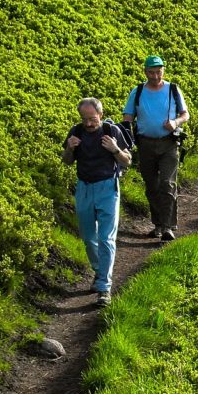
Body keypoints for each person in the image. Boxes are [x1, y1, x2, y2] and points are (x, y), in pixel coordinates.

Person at [62, 98, 132, 307]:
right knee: (88, 237)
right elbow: (66, 161)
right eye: (85, 119)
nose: (89, 124)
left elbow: (127, 161)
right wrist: (69, 148)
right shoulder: (76, 131)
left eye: (92, 119)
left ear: (100, 115)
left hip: (107, 188)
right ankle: (99, 271)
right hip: (83, 187)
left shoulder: (112, 131)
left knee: (106, 238)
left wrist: (115, 149)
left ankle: (104, 288)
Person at [122, 55, 190, 242]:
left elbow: (185, 114)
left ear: (163, 70)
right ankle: (158, 224)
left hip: (169, 143)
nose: (155, 75)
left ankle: (167, 227)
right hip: (145, 144)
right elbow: (128, 116)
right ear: (145, 72)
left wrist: (175, 122)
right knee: (151, 185)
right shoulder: (137, 91)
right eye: (151, 72)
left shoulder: (173, 89)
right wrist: (125, 136)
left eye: (158, 71)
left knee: (167, 184)